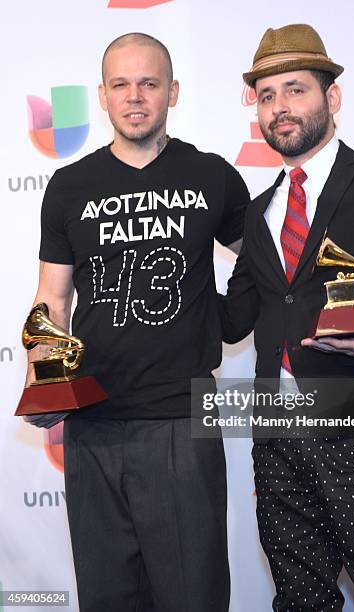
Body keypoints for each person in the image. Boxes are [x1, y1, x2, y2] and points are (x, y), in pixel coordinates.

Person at [24, 32, 249, 611]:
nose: (135, 97)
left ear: (172, 92)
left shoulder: (212, 176)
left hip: (183, 418)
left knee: (191, 597)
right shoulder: (69, 187)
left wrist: (226, 319)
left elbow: (267, 263)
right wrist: (45, 376)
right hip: (93, 424)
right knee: (108, 598)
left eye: (148, 83)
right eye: (120, 84)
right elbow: (52, 295)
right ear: (101, 96)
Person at [220, 24, 354, 611]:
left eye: (294, 89)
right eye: (266, 96)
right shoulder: (259, 211)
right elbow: (232, 321)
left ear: (331, 97)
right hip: (276, 433)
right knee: (298, 599)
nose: (279, 108)